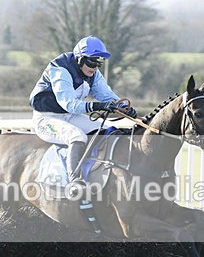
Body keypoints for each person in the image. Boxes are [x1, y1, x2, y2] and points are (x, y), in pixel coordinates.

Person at [29, 35, 137, 197]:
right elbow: (69, 104)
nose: (95, 67)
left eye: (99, 63)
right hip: (47, 119)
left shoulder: (93, 73)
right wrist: (97, 106)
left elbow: (106, 95)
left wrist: (123, 107)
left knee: (109, 131)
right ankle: (74, 180)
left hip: (69, 116)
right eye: (92, 62)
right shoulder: (60, 70)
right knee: (77, 136)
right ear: (80, 59)